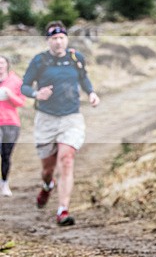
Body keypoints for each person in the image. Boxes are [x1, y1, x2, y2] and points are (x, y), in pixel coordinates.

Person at [21, 21, 100, 226]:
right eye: (54, 38)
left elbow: (84, 79)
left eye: (61, 38)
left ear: (66, 39)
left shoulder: (76, 58)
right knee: (47, 169)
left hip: (71, 117)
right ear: (48, 41)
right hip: (46, 118)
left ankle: (62, 210)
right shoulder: (39, 61)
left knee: (66, 159)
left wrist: (91, 93)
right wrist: (37, 93)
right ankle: (47, 185)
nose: (58, 42)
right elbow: (24, 86)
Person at [0, 55, 26, 197]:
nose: (0, 66)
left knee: (6, 155)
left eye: (2, 62)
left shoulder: (15, 81)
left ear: (7, 64)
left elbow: (21, 102)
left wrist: (9, 95)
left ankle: (4, 183)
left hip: (11, 123)